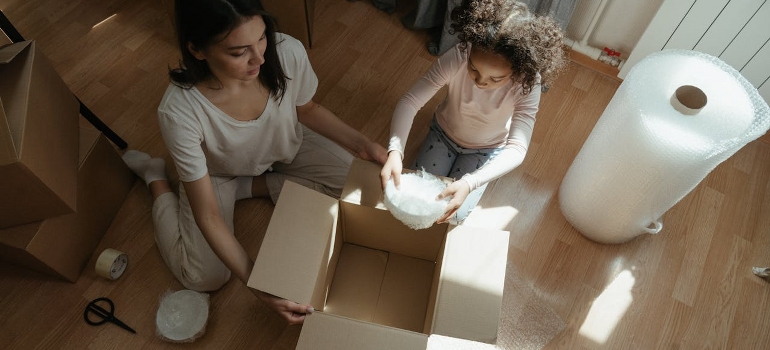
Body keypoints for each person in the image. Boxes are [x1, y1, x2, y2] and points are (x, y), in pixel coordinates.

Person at [122, 0, 387, 325]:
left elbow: (308, 110)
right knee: (205, 277)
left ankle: (252, 186)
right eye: (238, 52)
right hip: (215, 174)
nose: (260, 57)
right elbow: (207, 214)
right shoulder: (179, 111)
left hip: (285, 144)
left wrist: (365, 146)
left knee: (360, 182)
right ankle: (156, 180)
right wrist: (256, 283)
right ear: (197, 50)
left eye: (262, 37)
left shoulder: (286, 51)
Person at [380, 0, 567, 225]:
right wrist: (395, 151)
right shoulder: (459, 55)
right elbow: (410, 101)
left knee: (451, 215)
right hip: (443, 134)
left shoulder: (527, 81)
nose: (480, 81)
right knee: (421, 200)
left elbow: (517, 148)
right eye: (474, 69)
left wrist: (471, 182)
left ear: (517, 69)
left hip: (487, 149)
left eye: (495, 79)